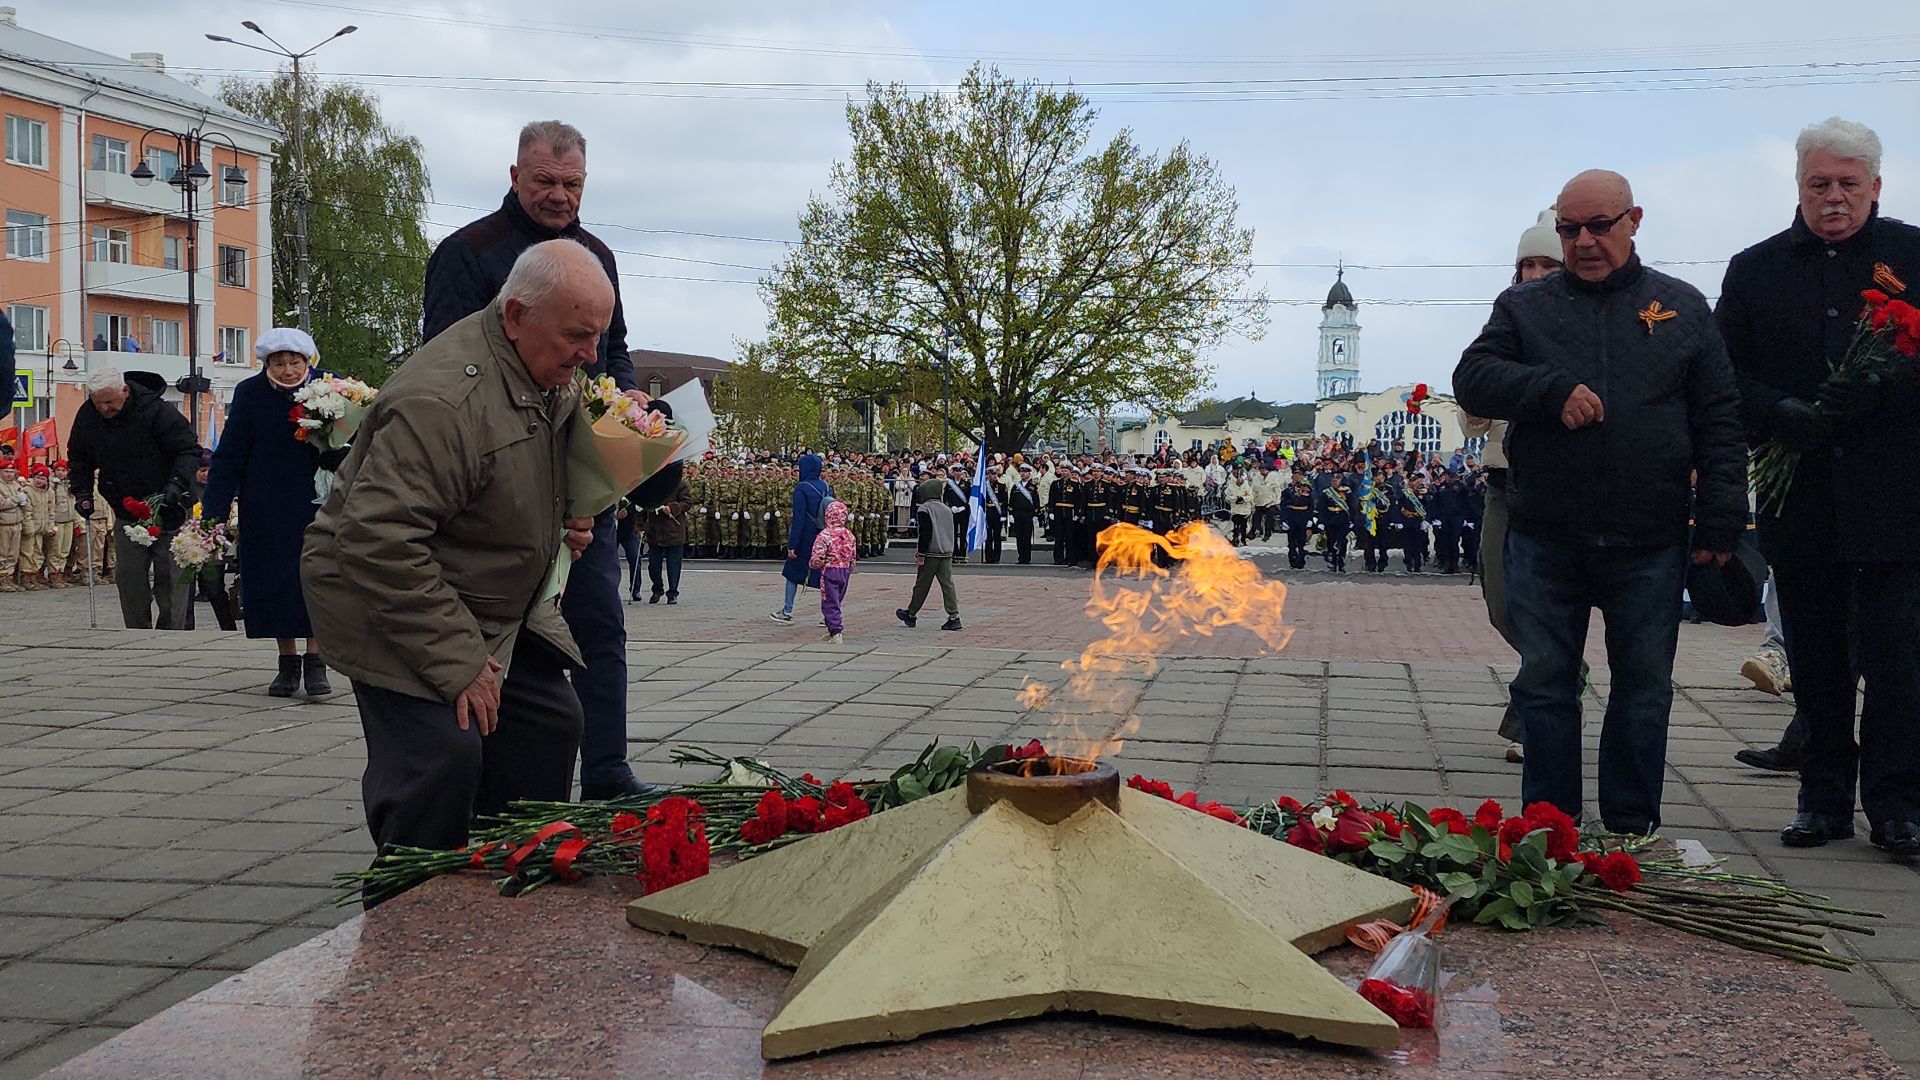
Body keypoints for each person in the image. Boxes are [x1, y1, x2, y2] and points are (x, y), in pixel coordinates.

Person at [305, 240, 605, 903]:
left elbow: (505, 475)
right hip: (382, 589)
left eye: (597, 336)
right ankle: (404, 916)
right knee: (444, 754)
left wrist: (566, 519)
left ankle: (504, 890)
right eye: (577, 336)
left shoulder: (540, 365)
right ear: (518, 314)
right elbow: (377, 538)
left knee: (548, 724)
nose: (589, 354)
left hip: (482, 593)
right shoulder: (443, 400)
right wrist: (460, 662)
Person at [1453, 169, 1746, 835]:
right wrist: (1549, 390)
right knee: (1546, 684)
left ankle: (1630, 827)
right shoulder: (1524, 308)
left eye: (1598, 226)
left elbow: (1720, 419)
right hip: (1546, 533)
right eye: (1569, 229)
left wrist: (1722, 516)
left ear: (1633, 221)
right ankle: (1550, 830)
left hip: (1650, 538)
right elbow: (1474, 376)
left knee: (1643, 690)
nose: (1583, 241)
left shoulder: (1682, 308)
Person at [422, 120, 650, 800]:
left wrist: (629, 396)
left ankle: (607, 769)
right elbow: (447, 360)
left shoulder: (598, 254)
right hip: (501, 478)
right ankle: (492, 785)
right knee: (502, 630)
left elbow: (615, 350)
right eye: (545, 182)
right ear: (515, 175)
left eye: (573, 184)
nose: (560, 196)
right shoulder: (468, 253)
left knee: (599, 626)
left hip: (583, 477)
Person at [1716, 118, 1920, 857]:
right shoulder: (1756, 269)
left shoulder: (1913, 256)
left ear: (1875, 186)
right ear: (1798, 186)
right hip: (1800, 495)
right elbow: (1723, 375)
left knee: (1899, 660)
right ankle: (1823, 799)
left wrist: (1888, 383)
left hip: (1897, 497)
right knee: (1817, 656)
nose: (1833, 198)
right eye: (1818, 184)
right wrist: (1781, 413)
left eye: (1848, 184)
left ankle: (1898, 805)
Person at [1462, 209, 1565, 763]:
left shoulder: (1583, 323)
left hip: (1560, 482)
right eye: (1527, 263)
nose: (1536, 273)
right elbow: (1473, 410)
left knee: (1548, 607)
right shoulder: (1504, 325)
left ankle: (1535, 719)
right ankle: (1563, 670)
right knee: (1502, 604)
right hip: (1503, 479)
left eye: (1549, 263)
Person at [201, 328, 337, 697]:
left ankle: (316, 661)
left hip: (318, 503)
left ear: (308, 362)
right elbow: (229, 455)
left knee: (316, 579)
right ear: (266, 364)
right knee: (274, 583)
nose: (289, 370)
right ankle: (287, 662)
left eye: (295, 362)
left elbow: (359, 438)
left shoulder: (332, 388)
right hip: (265, 503)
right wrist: (212, 512)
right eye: (279, 363)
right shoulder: (249, 394)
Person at [67, 368, 200, 629]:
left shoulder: (159, 411)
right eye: (98, 403)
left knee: (171, 577)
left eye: (109, 402)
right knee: (129, 576)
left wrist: (177, 482)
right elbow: (79, 458)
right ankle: (136, 632)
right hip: (126, 507)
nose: (104, 409)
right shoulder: (88, 416)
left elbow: (188, 450)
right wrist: (82, 492)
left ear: (125, 392)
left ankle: (171, 634)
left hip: (170, 505)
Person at [771, 453, 832, 622]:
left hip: (805, 537)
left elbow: (798, 518)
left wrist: (792, 545)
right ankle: (828, 615)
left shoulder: (801, 488)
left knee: (792, 572)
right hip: (824, 535)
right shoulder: (826, 486)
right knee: (823, 575)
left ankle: (787, 610)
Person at [897, 475, 962, 631]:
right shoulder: (946, 509)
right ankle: (954, 616)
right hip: (946, 552)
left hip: (931, 552)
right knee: (948, 585)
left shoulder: (925, 509)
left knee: (922, 585)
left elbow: (925, 533)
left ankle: (911, 613)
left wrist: (921, 553)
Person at [642, 458, 691, 605]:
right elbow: (642, 504)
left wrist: (673, 507)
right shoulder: (650, 485)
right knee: (653, 566)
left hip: (674, 531)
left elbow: (687, 502)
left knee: (674, 565)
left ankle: (672, 592)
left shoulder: (679, 485)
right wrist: (640, 525)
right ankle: (657, 588)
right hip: (655, 532)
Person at [809, 499, 857, 644]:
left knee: (829, 601)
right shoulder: (849, 535)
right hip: (844, 572)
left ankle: (836, 631)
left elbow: (817, 557)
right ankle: (831, 631)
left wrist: (813, 564)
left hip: (829, 571)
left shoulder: (824, 535)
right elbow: (853, 556)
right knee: (837, 600)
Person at [1008, 463, 1037, 564]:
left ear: (1029, 473)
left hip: (1028, 514)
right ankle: (1021, 557)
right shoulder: (1016, 486)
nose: (1023, 474)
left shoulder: (1033, 486)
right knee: (1019, 537)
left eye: (1025, 472)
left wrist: (1035, 515)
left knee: (1027, 536)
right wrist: (1011, 514)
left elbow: (1036, 502)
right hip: (1017, 514)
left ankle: (1027, 557)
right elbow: (1011, 501)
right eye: (1021, 472)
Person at [0, 459, 21, 591]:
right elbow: (1, 504)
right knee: (3, 553)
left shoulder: (16, 485)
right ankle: (2, 579)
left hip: (17, 522)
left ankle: (9, 578)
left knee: (13, 554)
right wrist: (16, 499)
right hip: (4, 523)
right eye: (6, 471)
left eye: (11, 471)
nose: (9, 474)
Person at [1225, 466, 1254, 545]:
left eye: (1241, 478)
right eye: (1238, 478)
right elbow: (1227, 496)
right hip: (1235, 509)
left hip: (1245, 509)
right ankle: (1235, 538)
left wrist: (1243, 498)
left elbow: (1251, 497)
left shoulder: (1247, 486)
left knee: (1243, 525)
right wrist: (1235, 499)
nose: (1239, 479)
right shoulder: (1231, 486)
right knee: (1236, 524)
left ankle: (1243, 539)